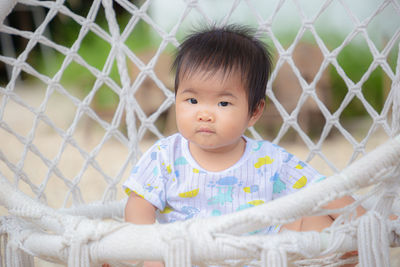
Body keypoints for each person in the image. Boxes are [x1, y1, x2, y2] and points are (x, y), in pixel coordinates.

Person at [120, 24, 363, 267]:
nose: (204, 114)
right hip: (189, 258)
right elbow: (138, 209)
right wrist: (150, 257)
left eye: (223, 103)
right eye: (192, 100)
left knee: (322, 223)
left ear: (254, 112)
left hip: (263, 259)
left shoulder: (269, 160)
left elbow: (323, 192)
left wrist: (370, 222)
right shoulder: (165, 156)